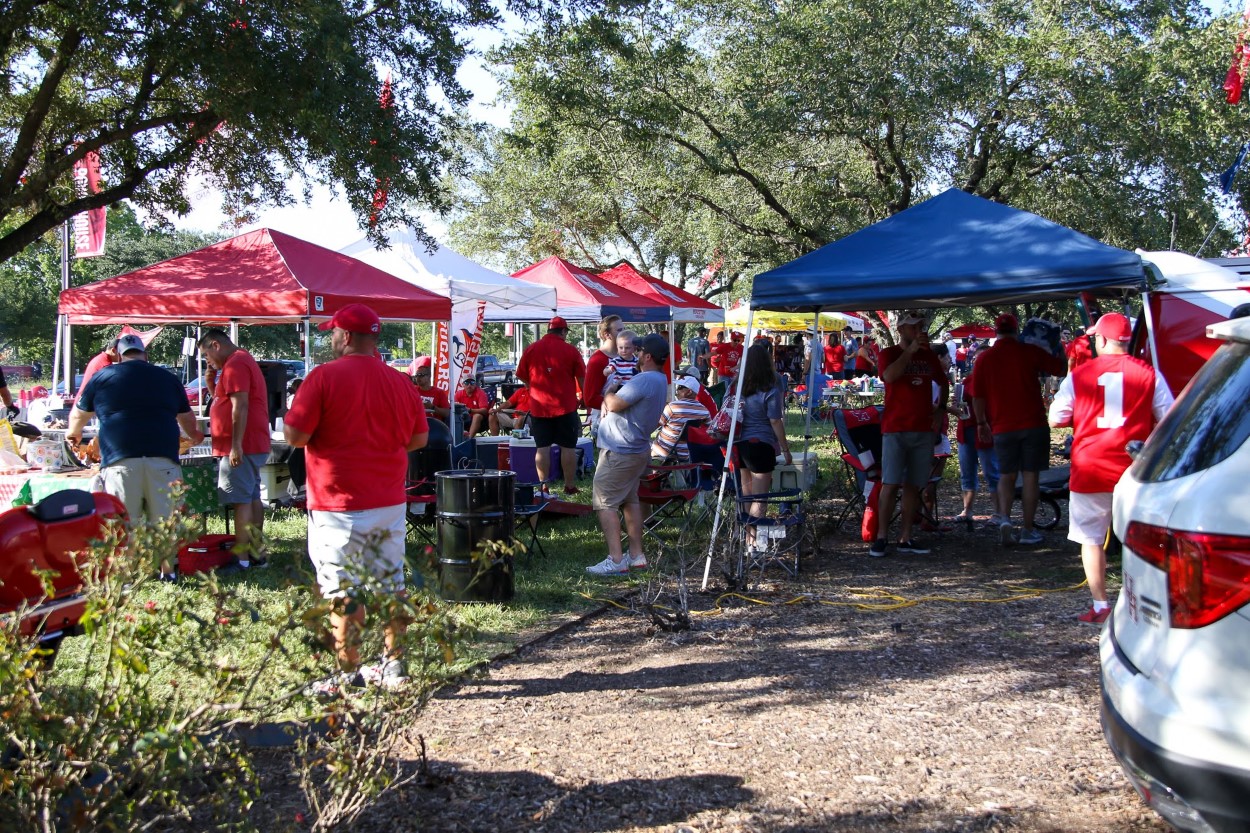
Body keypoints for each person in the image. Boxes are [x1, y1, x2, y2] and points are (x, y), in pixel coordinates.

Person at [283, 303, 429, 695]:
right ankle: (394, 665)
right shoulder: (400, 381)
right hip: (388, 499)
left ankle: (348, 673)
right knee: (391, 583)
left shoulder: (322, 377)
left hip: (336, 503)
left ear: (346, 336)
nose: (332, 338)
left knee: (341, 589)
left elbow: (295, 437)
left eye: (334, 332)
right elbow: (419, 438)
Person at [1048, 313, 1173, 625]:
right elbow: (1170, 419)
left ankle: (1101, 605)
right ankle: (1144, 606)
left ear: (1102, 339)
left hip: (1090, 466)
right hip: (1132, 467)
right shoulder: (1149, 373)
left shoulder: (1079, 375)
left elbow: (1056, 418)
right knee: (1139, 538)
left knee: (1090, 539)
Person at [67, 334, 204, 581]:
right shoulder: (167, 378)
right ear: (145, 355)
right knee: (165, 519)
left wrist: (73, 434)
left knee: (125, 521)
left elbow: (79, 414)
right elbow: (186, 418)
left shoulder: (103, 376)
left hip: (119, 459)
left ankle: (128, 575)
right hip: (163, 457)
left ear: (119, 356)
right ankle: (168, 572)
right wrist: (194, 435)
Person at [972, 312, 1066, 547]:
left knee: (1006, 475)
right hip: (1033, 423)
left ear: (996, 331)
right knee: (1031, 476)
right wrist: (1059, 346)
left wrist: (981, 423)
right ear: (1016, 330)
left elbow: (977, 395)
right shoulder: (1029, 351)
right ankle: (1027, 529)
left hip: (1002, 426)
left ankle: (1004, 518)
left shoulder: (985, 358)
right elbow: (1060, 369)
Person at [586, 333, 670, 575]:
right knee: (630, 501)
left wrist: (609, 390)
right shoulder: (659, 379)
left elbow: (614, 404)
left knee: (605, 502)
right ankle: (636, 556)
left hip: (621, 451)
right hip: (636, 449)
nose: (635, 353)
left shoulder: (644, 379)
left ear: (648, 356)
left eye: (639, 350)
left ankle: (616, 560)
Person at [869, 313, 948, 558]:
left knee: (914, 484)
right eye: (914, 327)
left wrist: (941, 409)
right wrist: (910, 352)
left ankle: (905, 537)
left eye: (920, 327)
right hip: (895, 428)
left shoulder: (929, 355)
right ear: (901, 329)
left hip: (923, 429)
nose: (918, 331)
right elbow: (889, 376)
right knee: (890, 483)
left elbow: (943, 382)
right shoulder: (888, 353)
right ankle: (881, 537)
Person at [198, 329, 272, 569]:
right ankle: (256, 553)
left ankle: (242, 560)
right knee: (251, 497)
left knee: (241, 501)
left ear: (216, 345)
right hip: (249, 442)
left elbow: (240, 406)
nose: (207, 361)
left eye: (206, 354)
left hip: (243, 444)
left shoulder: (236, 364)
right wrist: (210, 383)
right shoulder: (237, 361)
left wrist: (236, 445)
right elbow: (224, 401)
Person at [516, 316, 587, 495]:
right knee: (568, 447)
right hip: (565, 407)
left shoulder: (531, 348)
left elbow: (521, 374)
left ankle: (544, 486)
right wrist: (585, 398)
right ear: (563, 331)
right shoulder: (571, 350)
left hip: (539, 407)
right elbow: (581, 377)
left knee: (542, 448)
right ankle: (569, 486)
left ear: (548, 330)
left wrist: (530, 387)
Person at [735, 343, 793, 533]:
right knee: (760, 497)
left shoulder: (738, 387)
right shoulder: (770, 389)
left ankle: (748, 538)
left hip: (740, 444)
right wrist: (785, 449)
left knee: (747, 494)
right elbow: (775, 420)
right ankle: (755, 540)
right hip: (761, 444)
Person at [952, 351, 1004, 525]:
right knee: (967, 472)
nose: (978, 362)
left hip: (987, 430)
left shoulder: (996, 382)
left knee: (992, 472)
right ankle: (967, 510)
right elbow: (961, 403)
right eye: (976, 359)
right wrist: (955, 403)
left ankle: (998, 512)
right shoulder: (967, 381)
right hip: (966, 429)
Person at [651, 376, 710, 463]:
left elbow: (655, 425)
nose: (677, 391)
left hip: (664, 451)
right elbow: (710, 429)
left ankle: (653, 469)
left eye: (680, 388)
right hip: (686, 453)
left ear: (689, 392)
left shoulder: (672, 407)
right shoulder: (703, 411)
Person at [583, 315, 624, 437]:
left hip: (624, 419)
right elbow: (590, 398)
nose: (623, 333)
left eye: (624, 329)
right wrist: (620, 404)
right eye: (619, 330)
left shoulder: (626, 357)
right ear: (607, 335)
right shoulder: (598, 360)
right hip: (606, 421)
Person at [410, 356, 451, 423]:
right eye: (416, 375)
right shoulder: (412, 390)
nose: (418, 378)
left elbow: (446, 413)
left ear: (429, 376)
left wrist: (432, 407)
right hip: (416, 423)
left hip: (433, 425)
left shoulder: (439, 393)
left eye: (421, 375)